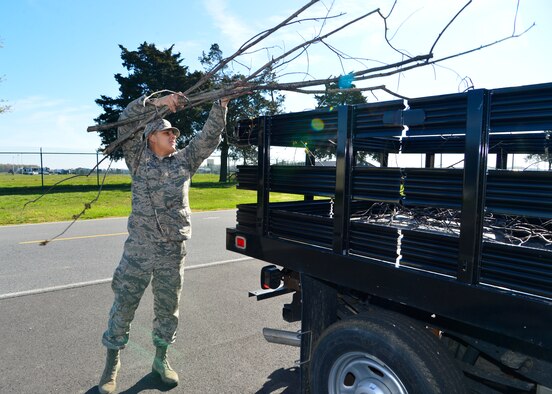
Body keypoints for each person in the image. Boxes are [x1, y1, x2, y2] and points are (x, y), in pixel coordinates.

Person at [98, 92, 230, 394]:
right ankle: (111, 365)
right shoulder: (138, 158)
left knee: (168, 308)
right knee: (124, 305)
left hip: (173, 251)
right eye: (167, 132)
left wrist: (220, 105)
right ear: (150, 137)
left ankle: (160, 360)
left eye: (173, 132)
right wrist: (155, 103)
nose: (173, 136)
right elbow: (124, 121)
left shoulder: (184, 161)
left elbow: (208, 138)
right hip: (139, 251)